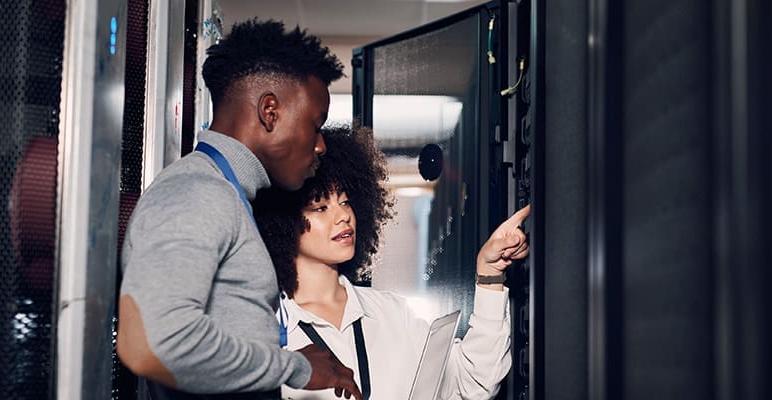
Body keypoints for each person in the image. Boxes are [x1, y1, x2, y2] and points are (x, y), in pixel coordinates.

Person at [117, 19, 363, 400]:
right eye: (315, 126)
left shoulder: (226, 195)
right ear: (270, 112)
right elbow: (150, 343)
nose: (320, 147)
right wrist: (294, 368)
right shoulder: (198, 192)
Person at [253, 125, 530, 399]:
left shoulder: (392, 314)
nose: (342, 216)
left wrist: (490, 274)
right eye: (321, 207)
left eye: (346, 202)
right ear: (282, 223)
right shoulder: (264, 333)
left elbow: (473, 384)